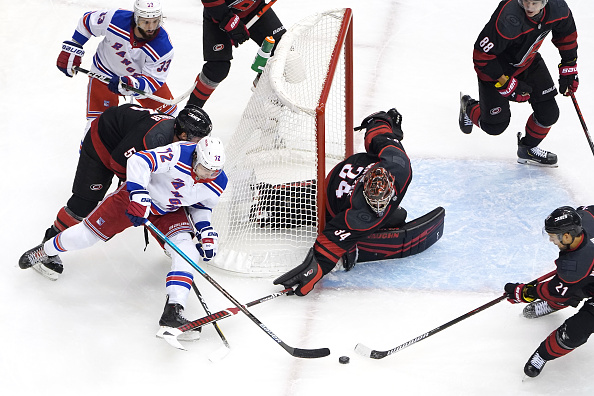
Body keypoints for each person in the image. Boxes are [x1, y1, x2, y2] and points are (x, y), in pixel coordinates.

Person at [19, 137, 227, 340]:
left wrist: (205, 229)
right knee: (87, 236)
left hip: (168, 210)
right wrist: (138, 193)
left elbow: (201, 205)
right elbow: (140, 160)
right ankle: (45, 251)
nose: (206, 175)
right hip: (136, 199)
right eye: (203, 168)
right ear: (195, 157)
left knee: (188, 252)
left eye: (213, 171)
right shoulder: (180, 152)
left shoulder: (219, 180)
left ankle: (173, 311)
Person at [273, 108, 445, 296]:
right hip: (332, 200)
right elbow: (330, 240)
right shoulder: (360, 214)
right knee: (366, 224)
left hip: (349, 171)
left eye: (382, 200)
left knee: (397, 214)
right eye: (372, 203)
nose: (377, 207)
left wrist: (381, 120)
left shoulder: (398, 164)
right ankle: (273, 202)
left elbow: (380, 138)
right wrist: (314, 269)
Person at [37, 103, 212, 281]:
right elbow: (118, 163)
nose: (201, 146)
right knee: (85, 203)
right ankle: (47, 244)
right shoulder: (154, 138)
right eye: (198, 139)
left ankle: (172, 241)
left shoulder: (180, 144)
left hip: (126, 138)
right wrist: (137, 190)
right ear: (182, 135)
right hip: (103, 143)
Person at [459, 0, 579, 167]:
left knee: (549, 113)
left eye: (534, 3)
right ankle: (469, 106)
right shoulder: (508, 18)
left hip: (528, 62)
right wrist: (506, 84)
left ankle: (527, 149)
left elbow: (566, 33)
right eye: (526, 1)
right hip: (496, 70)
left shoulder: (558, 9)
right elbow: (481, 57)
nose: (529, 7)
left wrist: (569, 65)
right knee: (495, 126)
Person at [57, 0, 177, 136]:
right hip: (105, 72)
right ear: (136, 19)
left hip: (140, 79)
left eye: (155, 21)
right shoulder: (115, 19)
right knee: (96, 126)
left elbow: (153, 80)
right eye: (145, 22)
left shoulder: (163, 48)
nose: (151, 27)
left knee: (170, 121)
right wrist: (74, 46)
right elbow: (87, 22)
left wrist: (132, 84)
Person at [504, 205, 594, 377]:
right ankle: (557, 305)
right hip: (587, 276)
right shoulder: (586, 217)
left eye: (553, 237)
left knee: (575, 332)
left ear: (567, 236)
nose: (551, 240)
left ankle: (542, 355)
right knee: (571, 289)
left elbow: (553, 291)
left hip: (584, 278)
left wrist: (522, 293)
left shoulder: (573, 269)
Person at [186, 0, 286, 107]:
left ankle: (265, 91)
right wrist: (228, 20)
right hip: (220, 14)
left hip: (254, 7)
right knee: (217, 69)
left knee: (284, 50)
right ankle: (191, 109)